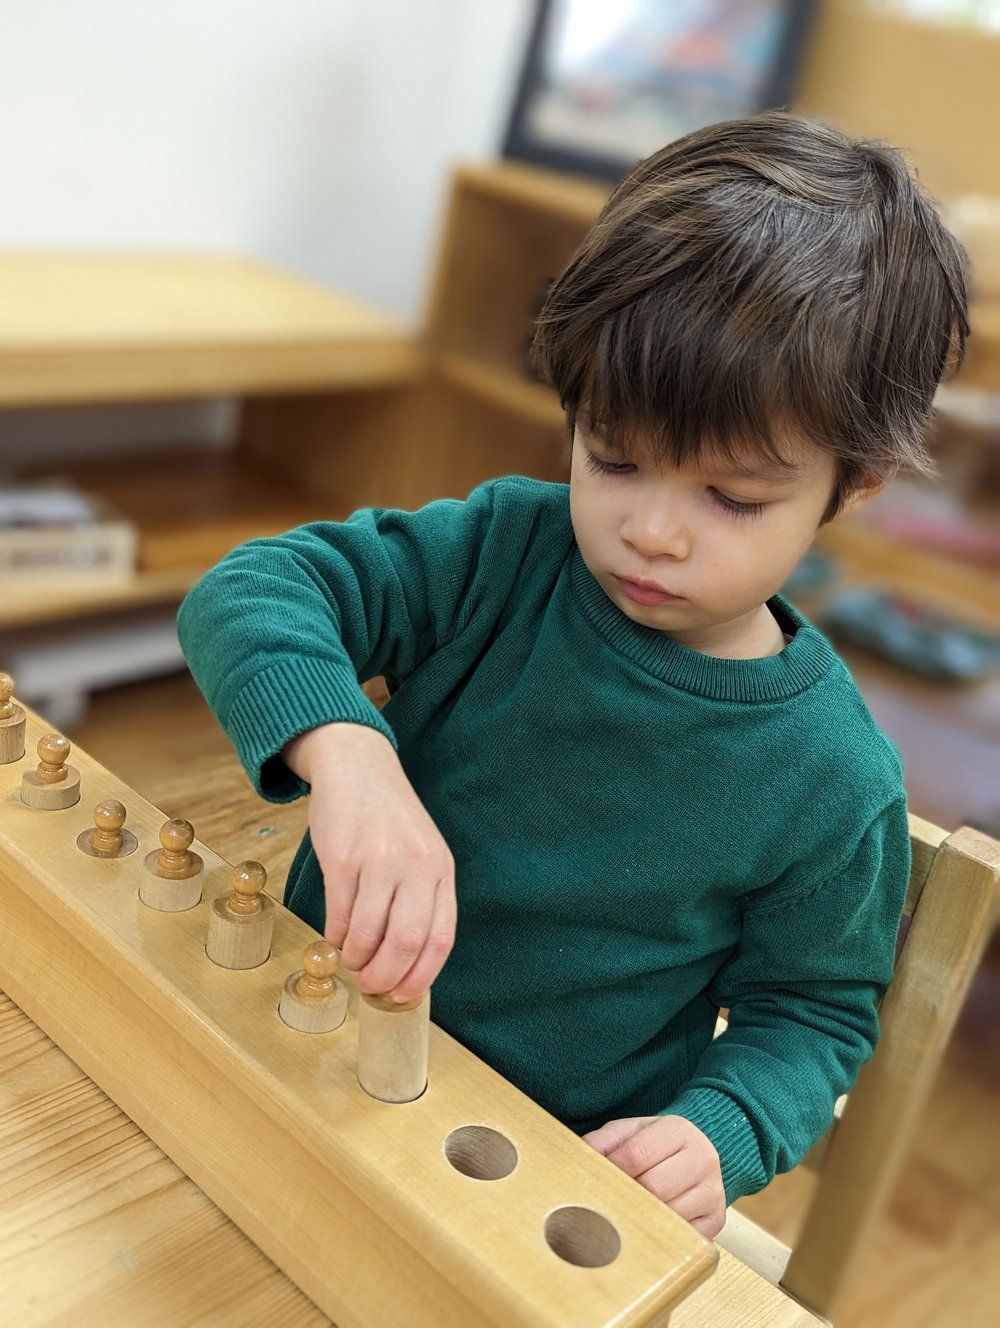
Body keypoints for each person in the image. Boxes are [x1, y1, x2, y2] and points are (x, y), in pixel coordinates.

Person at [177, 111, 969, 1238]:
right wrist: (350, 749)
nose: (649, 530)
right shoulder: (507, 551)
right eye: (612, 454)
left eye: (731, 499)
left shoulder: (833, 777)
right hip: (293, 1038)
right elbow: (253, 587)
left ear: (857, 483)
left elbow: (813, 1011)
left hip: (524, 1177)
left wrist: (717, 1127)